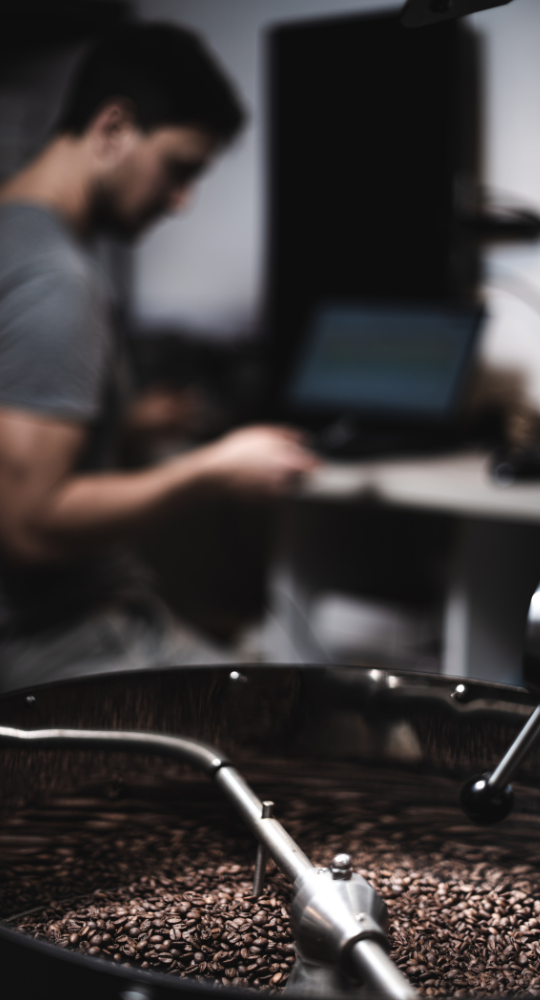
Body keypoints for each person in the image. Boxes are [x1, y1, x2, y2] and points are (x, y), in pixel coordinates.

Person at [0, 22, 317, 691]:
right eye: (179, 168)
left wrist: (124, 422)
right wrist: (212, 470)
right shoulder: (58, 280)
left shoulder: (13, 236)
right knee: (294, 714)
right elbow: (29, 523)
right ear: (113, 128)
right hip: (58, 640)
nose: (181, 201)